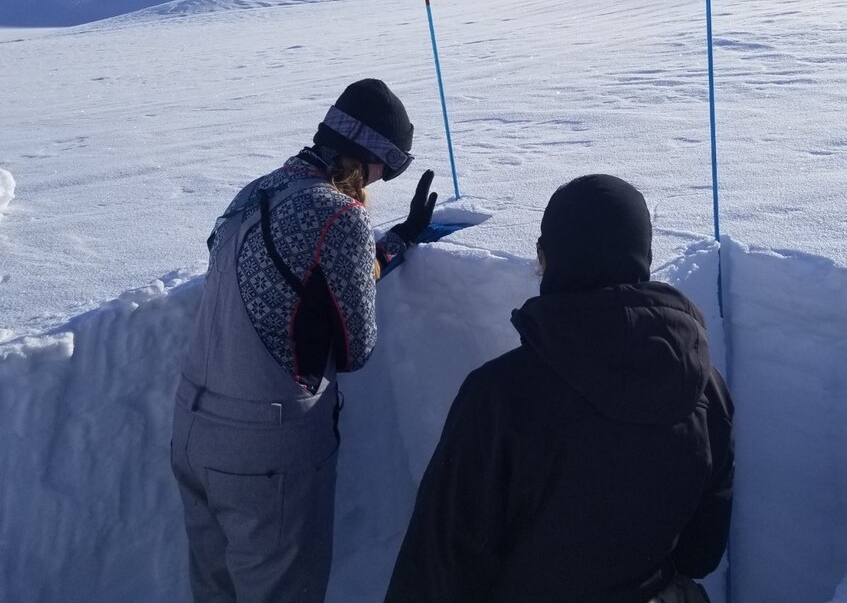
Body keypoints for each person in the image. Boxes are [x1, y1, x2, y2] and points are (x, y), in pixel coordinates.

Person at [384, 174, 734, 603]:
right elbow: (702, 553)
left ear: (547, 259)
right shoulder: (704, 386)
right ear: (641, 259)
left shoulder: (498, 395)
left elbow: (437, 568)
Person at [171, 78, 437, 603]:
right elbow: (357, 349)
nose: (382, 181)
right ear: (368, 158)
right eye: (388, 167)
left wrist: (395, 241)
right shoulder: (340, 214)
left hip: (192, 431)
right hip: (266, 453)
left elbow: (298, 276)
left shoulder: (254, 190)